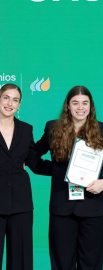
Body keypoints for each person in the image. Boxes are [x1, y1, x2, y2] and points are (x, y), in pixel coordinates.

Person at [35, 86, 103, 270]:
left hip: (92, 205)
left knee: (91, 264)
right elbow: (33, 156)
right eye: (75, 103)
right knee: (61, 264)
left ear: (91, 106)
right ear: (68, 106)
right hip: (61, 207)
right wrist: (59, 172)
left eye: (85, 103)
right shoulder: (53, 128)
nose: (80, 107)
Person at [0, 83, 51, 270]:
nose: (9, 103)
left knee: (21, 261)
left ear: (19, 104)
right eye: (6, 97)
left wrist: (66, 168)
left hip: (21, 205)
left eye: (15, 100)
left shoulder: (25, 129)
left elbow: (35, 164)